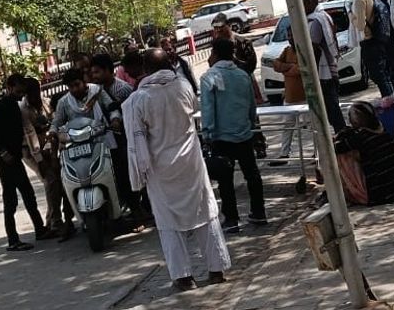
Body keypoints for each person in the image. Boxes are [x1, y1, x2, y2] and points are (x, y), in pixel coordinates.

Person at [123, 48, 231, 291]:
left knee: (168, 222)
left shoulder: (137, 100)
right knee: (206, 213)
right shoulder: (183, 87)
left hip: (160, 170)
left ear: (145, 69)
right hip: (191, 164)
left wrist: (138, 176)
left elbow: (136, 143)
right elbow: (193, 108)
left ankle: (183, 277)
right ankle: (216, 270)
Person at [200, 38, 267, 232]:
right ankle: (259, 212)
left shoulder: (209, 77)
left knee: (225, 180)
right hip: (244, 134)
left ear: (216, 54)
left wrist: (208, 134)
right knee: (252, 175)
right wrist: (249, 123)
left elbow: (208, 109)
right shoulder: (243, 75)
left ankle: (231, 219)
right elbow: (251, 106)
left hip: (221, 137)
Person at [0, 74, 52, 251]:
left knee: (28, 194)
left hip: (15, 158)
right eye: (19, 91)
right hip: (6, 161)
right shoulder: (3, 106)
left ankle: (40, 229)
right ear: (10, 87)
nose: (21, 95)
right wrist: (3, 151)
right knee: (11, 200)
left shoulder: (13, 105)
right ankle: (13, 240)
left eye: (23, 92)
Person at [91, 52, 144, 227]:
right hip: (105, 141)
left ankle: (138, 213)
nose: (94, 76)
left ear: (109, 71)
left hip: (124, 140)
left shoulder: (122, 89)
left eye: (98, 72)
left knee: (126, 177)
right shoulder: (95, 92)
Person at [20, 76, 76, 241]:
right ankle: (55, 222)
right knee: (50, 181)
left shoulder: (46, 102)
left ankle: (55, 219)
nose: (35, 95)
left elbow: (55, 125)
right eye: (31, 92)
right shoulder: (24, 110)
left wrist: (53, 153)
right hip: (31, 151)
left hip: (48, 146)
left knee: (59, 180)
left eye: (37, 90)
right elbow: (31, 137)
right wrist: (41, 161)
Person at [333, 102, 394, 206]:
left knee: (341, 157)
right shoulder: (382, 131)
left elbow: (336, 148)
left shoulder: (362, 137)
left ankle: (353, 191)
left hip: (383, 193)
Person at [299, 0, 346, 131]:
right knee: (330, 111)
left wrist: (308, 72)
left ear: (310, 0)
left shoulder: (316, 21)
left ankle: (344, 139)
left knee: (331, 112)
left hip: (323, 74)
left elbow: (313, 49)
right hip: (329, 71)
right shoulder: (323, 16)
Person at [344, 0, 394, 98]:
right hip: (377, 39)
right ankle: (390, 97)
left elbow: (360, 25)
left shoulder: (359, 0)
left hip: (369, 41)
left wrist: (350, 15)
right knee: (381, 73)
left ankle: (389, 99)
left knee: (378, 74)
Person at [270, 34, 305, 165]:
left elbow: (300, 70)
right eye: (289, 35)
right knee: (287, 127)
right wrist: (289, 67)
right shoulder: (287, 50)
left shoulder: (305, 49)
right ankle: (284, 154)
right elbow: (276, 65)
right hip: (290, 97)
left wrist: (286, 68)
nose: (291, 38)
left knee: (312, 127)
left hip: (305, 97)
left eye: (293, 35)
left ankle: (318, 153)